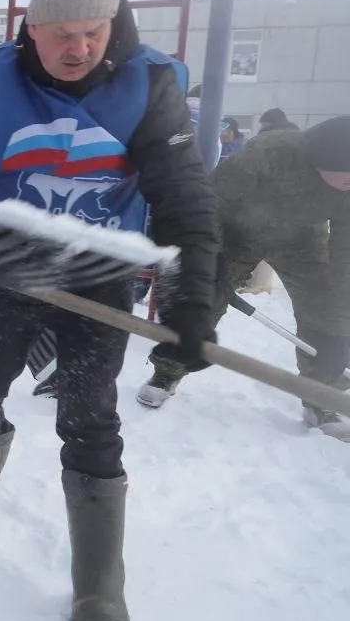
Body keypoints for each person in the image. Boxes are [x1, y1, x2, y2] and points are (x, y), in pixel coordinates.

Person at [0, 0, 219, 621]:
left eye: (93, 32)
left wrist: (191, 303)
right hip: (11, 267)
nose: (78, 48)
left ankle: (99, 586)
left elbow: (184, 202)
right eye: (61, 33)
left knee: (88, 415)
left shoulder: (150, 84)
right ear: (32, 26)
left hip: (98, 275)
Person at [141, 116, 350, 439]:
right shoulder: (269, 153)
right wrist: (207, 258)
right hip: (235, 232)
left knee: (329, 310)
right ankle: (168, 370)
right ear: (328, 158)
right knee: (203, 298)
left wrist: (339, 315)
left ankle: (321, 395)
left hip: (302, 241)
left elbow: (345, 247)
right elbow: (210, 201)